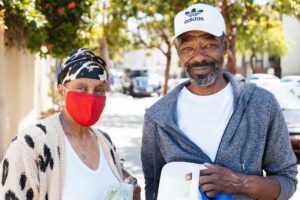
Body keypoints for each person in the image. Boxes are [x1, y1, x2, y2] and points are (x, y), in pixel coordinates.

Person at [141, 3, 297, 200]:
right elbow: (154, 186)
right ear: (178, 51)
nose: (199, 57)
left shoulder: (261, 105)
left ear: (225, 44)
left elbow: (287, 181)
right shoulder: (157, 118)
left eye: (209, 45)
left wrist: (238, 183)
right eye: (188, 48)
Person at [0, 48, 141, 200]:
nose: (91, 97)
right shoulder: (31, 144)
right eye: (81, 88)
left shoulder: (106, 144)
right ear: (62, 91)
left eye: (99, 89)